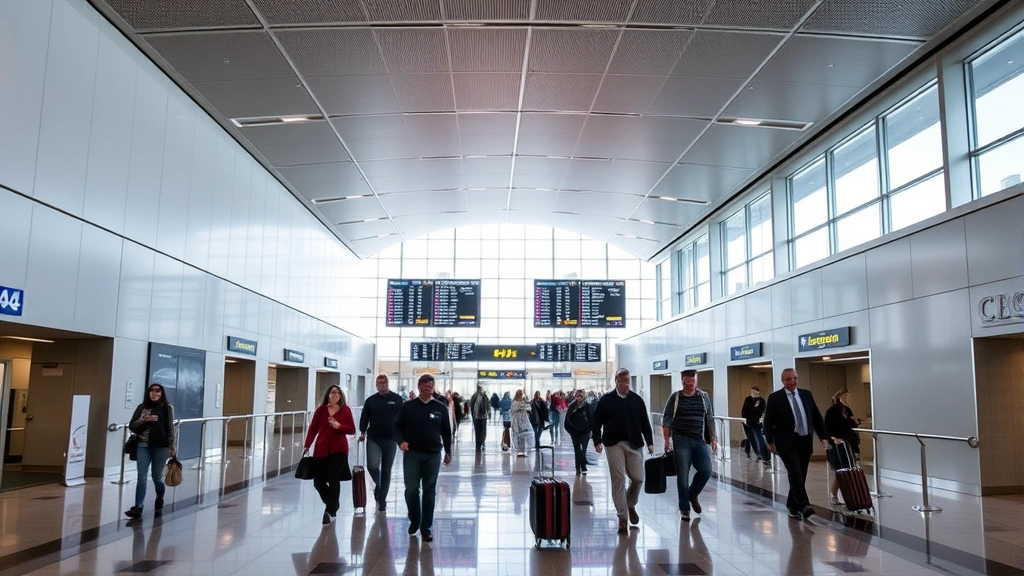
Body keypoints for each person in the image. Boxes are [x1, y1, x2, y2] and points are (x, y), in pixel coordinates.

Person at [592, 368, 655, 535]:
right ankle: (622, 517)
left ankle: (630, 503)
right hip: (613, 443)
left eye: (627, 381)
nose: (625, 384)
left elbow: (644, 422)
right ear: (616, 381)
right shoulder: (606, 400)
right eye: (622, 381)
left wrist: (649, 441)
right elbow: (596, 422)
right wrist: (597, 440)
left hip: (634, 443)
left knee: (638, 478)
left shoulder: (636, 400)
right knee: (618, 479)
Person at [763, 368, 828, 520]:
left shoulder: (806, 395)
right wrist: (770, 441)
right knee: (795, 472)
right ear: (783, 381)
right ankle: (804, 505)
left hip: (805, 440)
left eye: (794, 378)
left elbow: (816, 417)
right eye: (788, 379)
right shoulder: (775, 398)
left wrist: (823, 437)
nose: (792, 382)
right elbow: (768, 421)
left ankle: (792, 506)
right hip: (786, 442)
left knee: (801, 473)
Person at [394, 374, 452, 543]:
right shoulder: (408, 407)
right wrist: (401, 441)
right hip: (412, 453)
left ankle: (426, 527)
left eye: (430, 385)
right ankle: (414, 519)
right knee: (411, 489)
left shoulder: (440, 407)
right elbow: (397, 426)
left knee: (429, 490)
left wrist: (448, 452)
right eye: (424, 385)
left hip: (433, 454)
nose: (427, 388)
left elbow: (446, 431)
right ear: (419, 386)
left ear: (433, 388)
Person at [662, 369, 717, 522]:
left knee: (706, 470)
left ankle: (692, 494)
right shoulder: (676, 397)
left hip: (699, 440)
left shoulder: (704, 397)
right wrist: (667, 441)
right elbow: (666, 419)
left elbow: (710, 418)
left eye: (694, 381)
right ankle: (684, 507)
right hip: (681, 440)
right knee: (683, 474)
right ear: (683, 381)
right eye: (688, 381)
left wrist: (713, 438)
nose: (691, 384)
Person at [303, 385, 356, 525]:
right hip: (321, 449)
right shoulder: (320, 411)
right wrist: (307, 445)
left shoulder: (345, 410)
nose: (335, 395)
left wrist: (340, 426)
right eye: (333, 392)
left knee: (333, 478)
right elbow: (313, 429)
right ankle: (333, 503)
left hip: (339, 449)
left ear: (341, 396)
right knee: (318, 482)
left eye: (338, 393)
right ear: (328, 395)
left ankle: (330, 511)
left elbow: (352, 429)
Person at [125, 383, 176, 518]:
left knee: (156, 477)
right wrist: (143, 420)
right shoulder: (142, 408)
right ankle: (138, 506)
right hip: (143, 445)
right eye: (152, 391)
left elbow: (170, 428)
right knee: (141, 476)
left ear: (162, 393)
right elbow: (132, 426)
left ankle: (160, 495)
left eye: (157, 391)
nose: (154, 394)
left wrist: (171, 446)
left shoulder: (167, 408)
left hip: (160, 446)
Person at [358, 374, 404, 512]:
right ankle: (377, 488)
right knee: (372, 465)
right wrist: (362, 432)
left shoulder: (396, 399)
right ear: (376, 385)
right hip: (374, 438)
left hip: (391, 439)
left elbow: (402, 419)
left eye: (384, 383)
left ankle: (382, 497)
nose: (381, 386)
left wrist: (402, 437)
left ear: (388, 384)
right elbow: (364, 417)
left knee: (386, 469)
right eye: (379, 384)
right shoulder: (371, 401)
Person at [825, 388, 862, 505]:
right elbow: (830, 427)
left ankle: (847, 495)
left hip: (849, 443)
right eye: (844, 396)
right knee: (842, 470)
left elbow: (853, 421)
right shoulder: (832, 411)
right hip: (839, 445)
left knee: (849, 470)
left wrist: (855, 421)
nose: (846, 399)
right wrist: (833, 439)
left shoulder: (846, 410)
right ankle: (835, 495)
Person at [564, 389, 595, 475]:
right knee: (577, 449)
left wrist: (590, 429)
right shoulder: (572, 407)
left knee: (583, 449)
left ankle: (583, 465)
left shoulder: (588, 407)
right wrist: (570, 430)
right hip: (575, 432)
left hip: (585, 432)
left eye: (581, 396)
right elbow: (567, 420)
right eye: (578, 396)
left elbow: (591, 419)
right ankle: (578, 467)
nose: (579, 398)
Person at [741, 386, 770, 466]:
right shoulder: (748, 399)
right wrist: (745, 420)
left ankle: (765, 457)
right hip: (748, 422)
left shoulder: (762, 401)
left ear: (758, 392)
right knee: (751, 438)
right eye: (752, 392)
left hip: (757, 423)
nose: (753, 394)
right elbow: (744, 411)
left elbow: (763, 411)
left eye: (754, 392)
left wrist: (760, 419)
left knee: (760, 438)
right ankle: (756, 454)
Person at [510, 390, 532, 457]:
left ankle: (522, 451)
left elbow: (528, 408)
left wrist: (525, 404)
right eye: (519, 394)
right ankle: (518, 451)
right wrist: (521, 409)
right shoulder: (514, 402)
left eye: (521, 394)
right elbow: (513, 410)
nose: (520, 395)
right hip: (516, 421)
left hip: (523, 421)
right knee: (518, 437)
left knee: (523, 437)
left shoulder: (523, 401)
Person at [469, 385, 490, 451]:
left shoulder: (481, 396)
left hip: (480, 416)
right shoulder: (476, 396)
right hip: (479, 416)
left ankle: (480, 442)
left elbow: (487, 405)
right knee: (480, 430)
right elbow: (471, 405)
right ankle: (479, 442)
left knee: (480, 430)